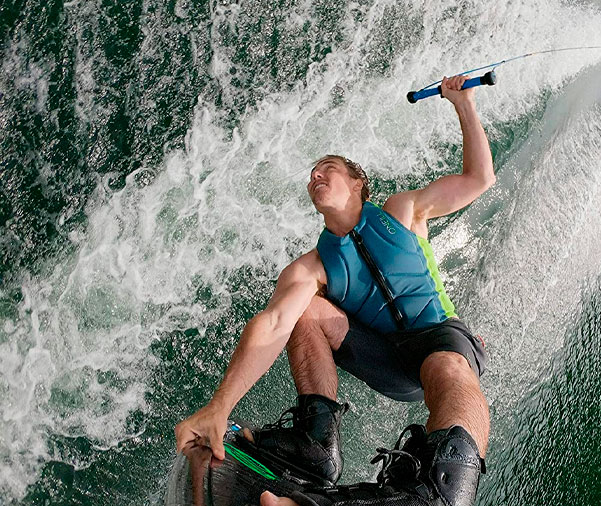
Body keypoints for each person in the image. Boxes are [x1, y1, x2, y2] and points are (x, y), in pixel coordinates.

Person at [174, 74, 494, 506]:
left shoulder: (403, 211)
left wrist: (463, 104)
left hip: (439, 335)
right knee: (302, 308)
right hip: (387, 358)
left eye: (328, 169)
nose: (316, 175)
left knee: (451, 371)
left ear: (358, 182)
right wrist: (219, 407)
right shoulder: (313, 266)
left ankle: (437, 493)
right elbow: (272, 326)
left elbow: (479, 178)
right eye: (311, 174)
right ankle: (315, 443)